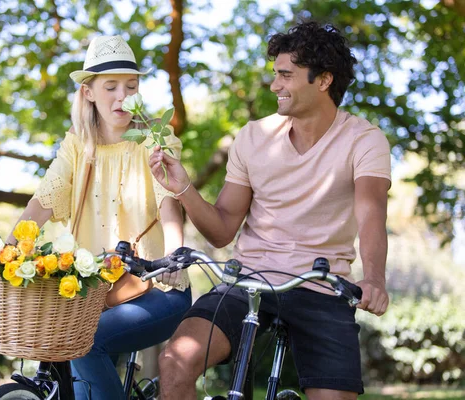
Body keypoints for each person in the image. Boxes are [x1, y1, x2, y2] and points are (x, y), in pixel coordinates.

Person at [149, 21, 391, 400]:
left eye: (285, 75)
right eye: (275, 74)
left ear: (324, 80)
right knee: (175, 362)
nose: (275, 85)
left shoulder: (365, 140)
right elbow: (222, 229)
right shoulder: (253, 137)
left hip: (321, 287)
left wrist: (374, 278)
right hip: (248, 279)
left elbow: (372, 213)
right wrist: (183, 188)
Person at [6, 35, 192, 400]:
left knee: (83, 342)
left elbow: (169, 199)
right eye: (111, 87)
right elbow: (41, 203)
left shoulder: (155, 138)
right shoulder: (78, 145)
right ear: (88, 92)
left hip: (155, 287)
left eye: (131, 86)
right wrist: (7, 251)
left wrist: (176, 254)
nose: (122, 96)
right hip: (95, 295)